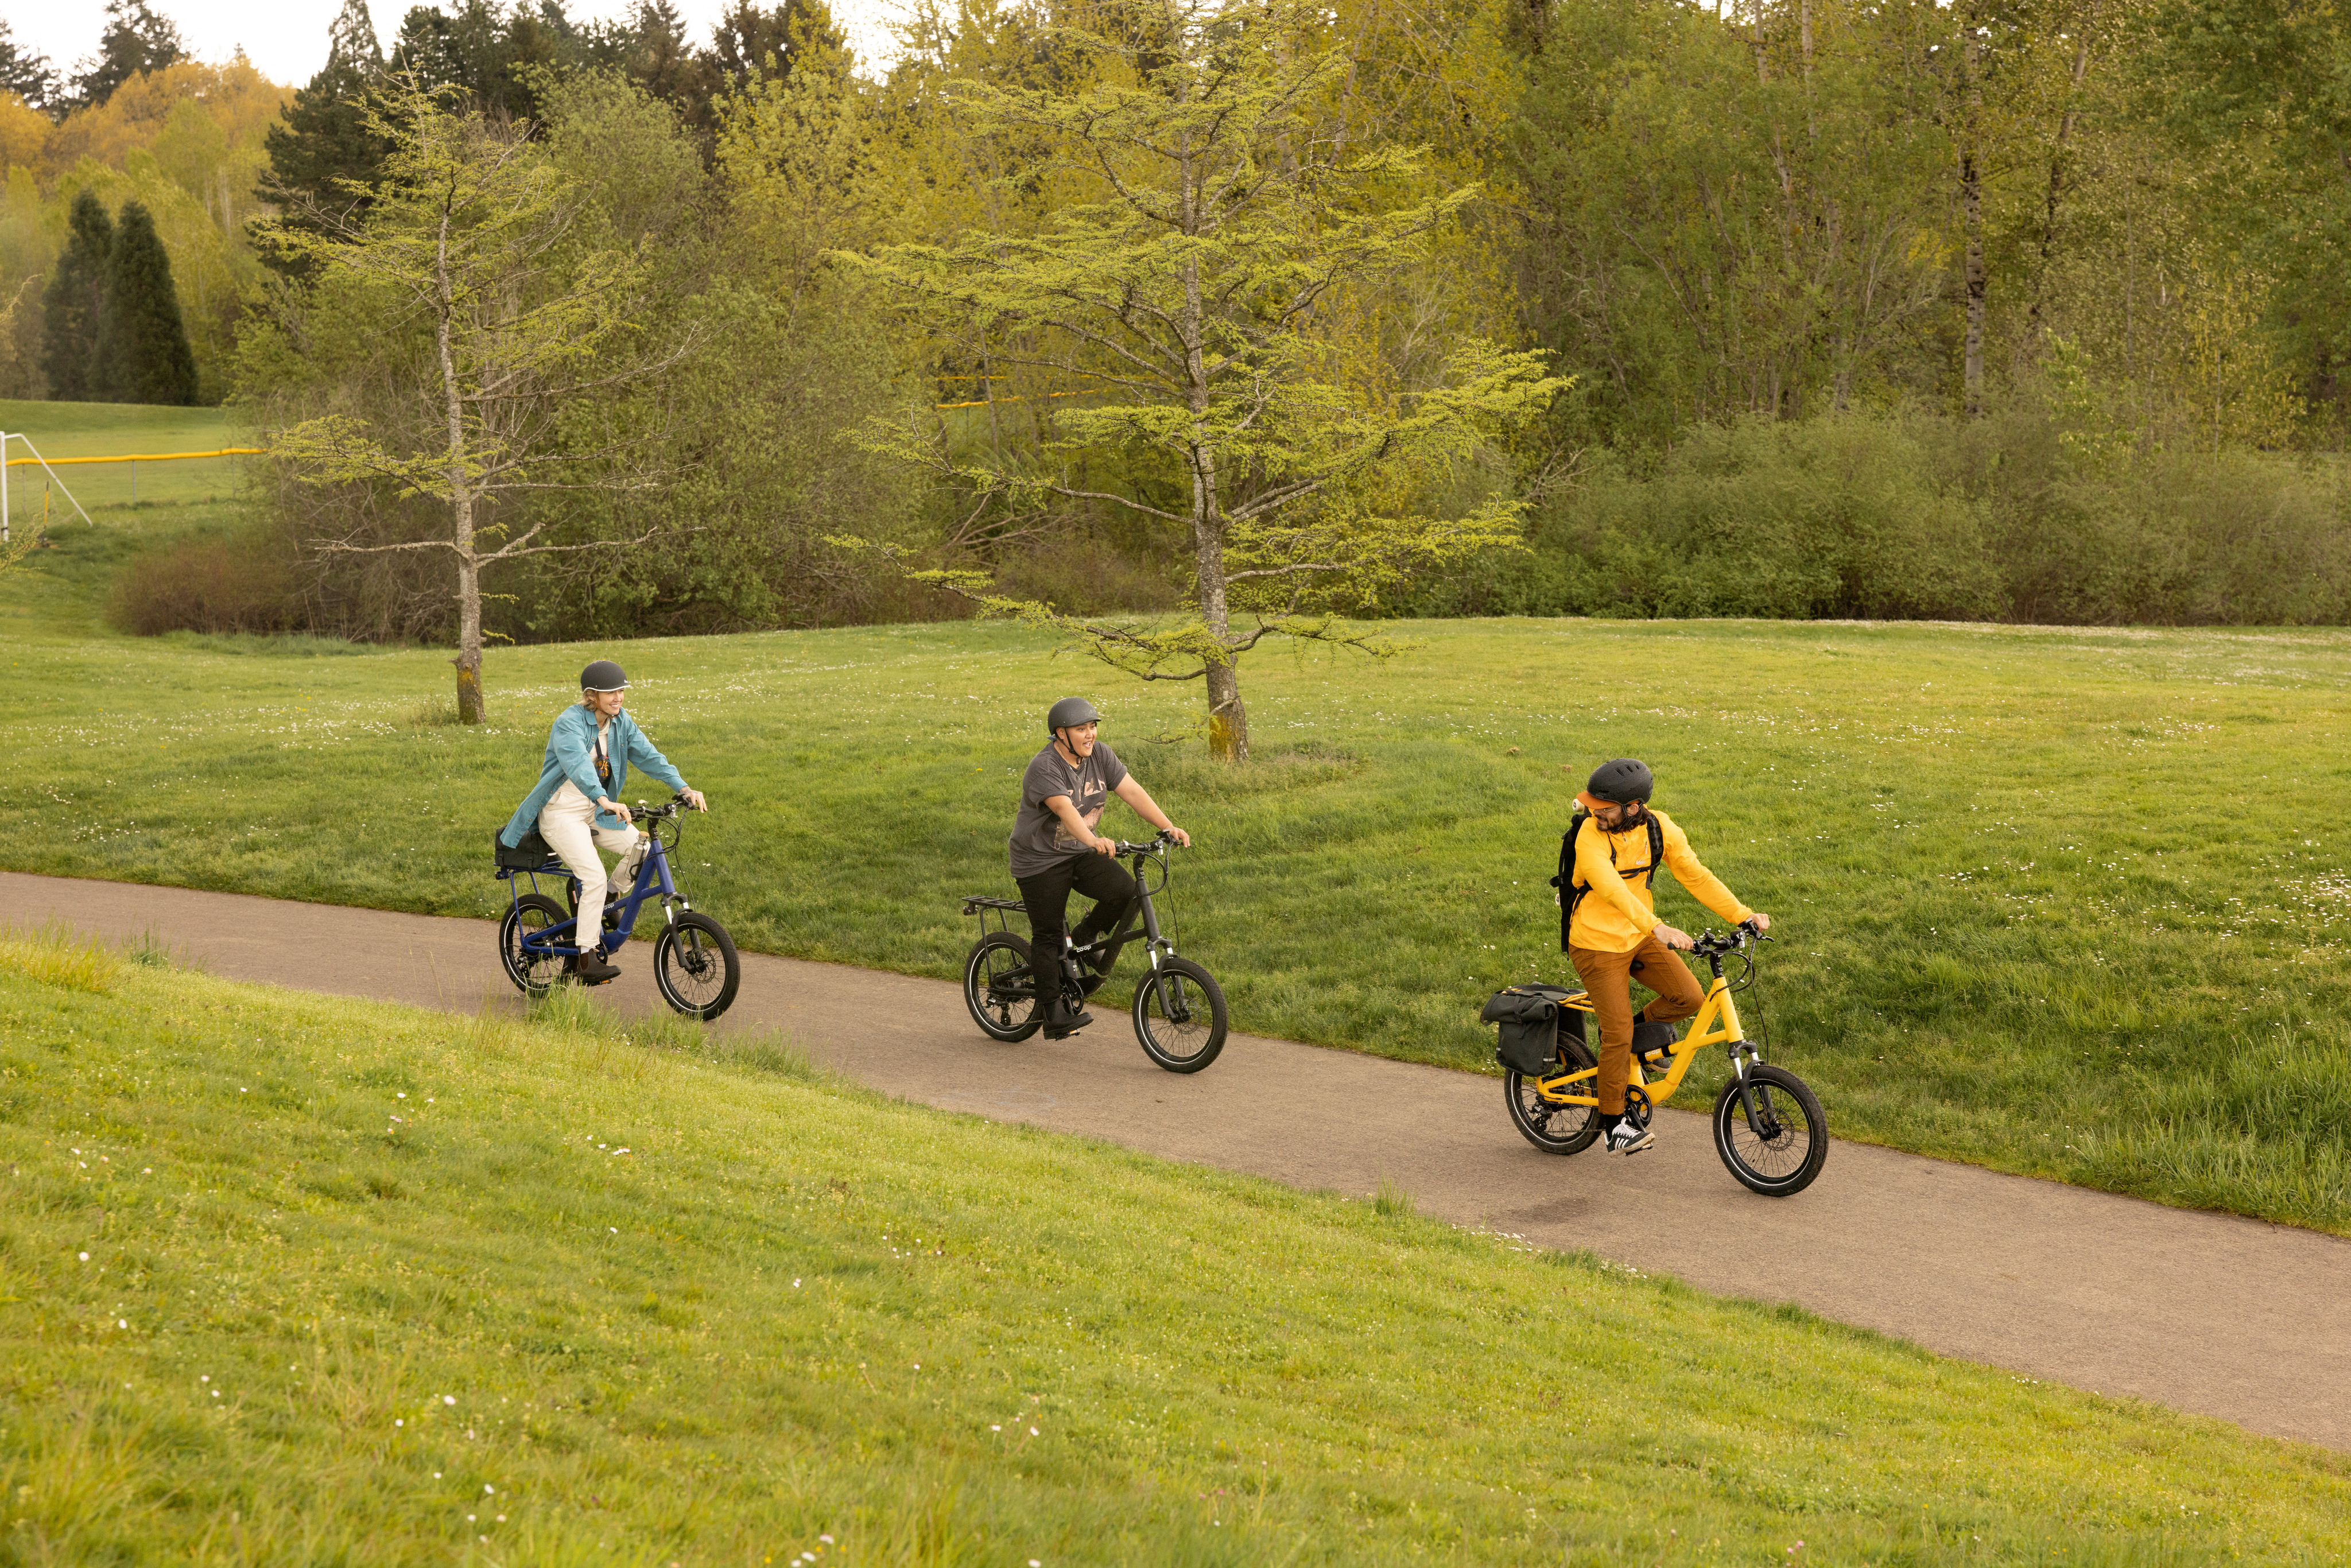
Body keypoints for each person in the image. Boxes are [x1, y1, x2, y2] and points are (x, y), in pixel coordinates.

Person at [1559, 757, 1769, 1155]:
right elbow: (1612, 891)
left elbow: (1696, 876)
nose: (1594, 812)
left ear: (1634, 807)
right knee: (1617, 1033)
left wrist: (1743, 915)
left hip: (1637, 935)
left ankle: (1628, 1045)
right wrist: (1658, 927)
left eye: (1604, 808)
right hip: (1595, 942)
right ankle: (1613, 1123)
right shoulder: (1590, 836)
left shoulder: (1660, 829)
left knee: (1687, 998)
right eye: (1592, 806)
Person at [499, 660, 707, 982]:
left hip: (596, 810)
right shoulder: (569, 723)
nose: (619, 697)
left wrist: (683, 787)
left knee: (643, 848)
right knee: (592, 876)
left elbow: (649, 755)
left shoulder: (622, 721)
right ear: (592, 695)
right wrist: (604, 798)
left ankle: (608, 897)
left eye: (622, 691)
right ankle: (586, 958)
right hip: (562, 812)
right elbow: (578, 764)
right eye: (611, 692)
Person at [1010, 697, 1189, 1038]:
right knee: (1047, 935)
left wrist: (1167, 827)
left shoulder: (1100, 755)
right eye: (1082, 729)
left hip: (1077, 850)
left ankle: (1085, 935)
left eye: (1093, 726)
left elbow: (1132, 792)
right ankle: (1053, 1014)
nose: (1090, 734)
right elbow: (1064, 809)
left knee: (1125, 893)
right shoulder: (1045, 767)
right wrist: (1093, 841)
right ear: (1060, 734)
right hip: (1039, 859)